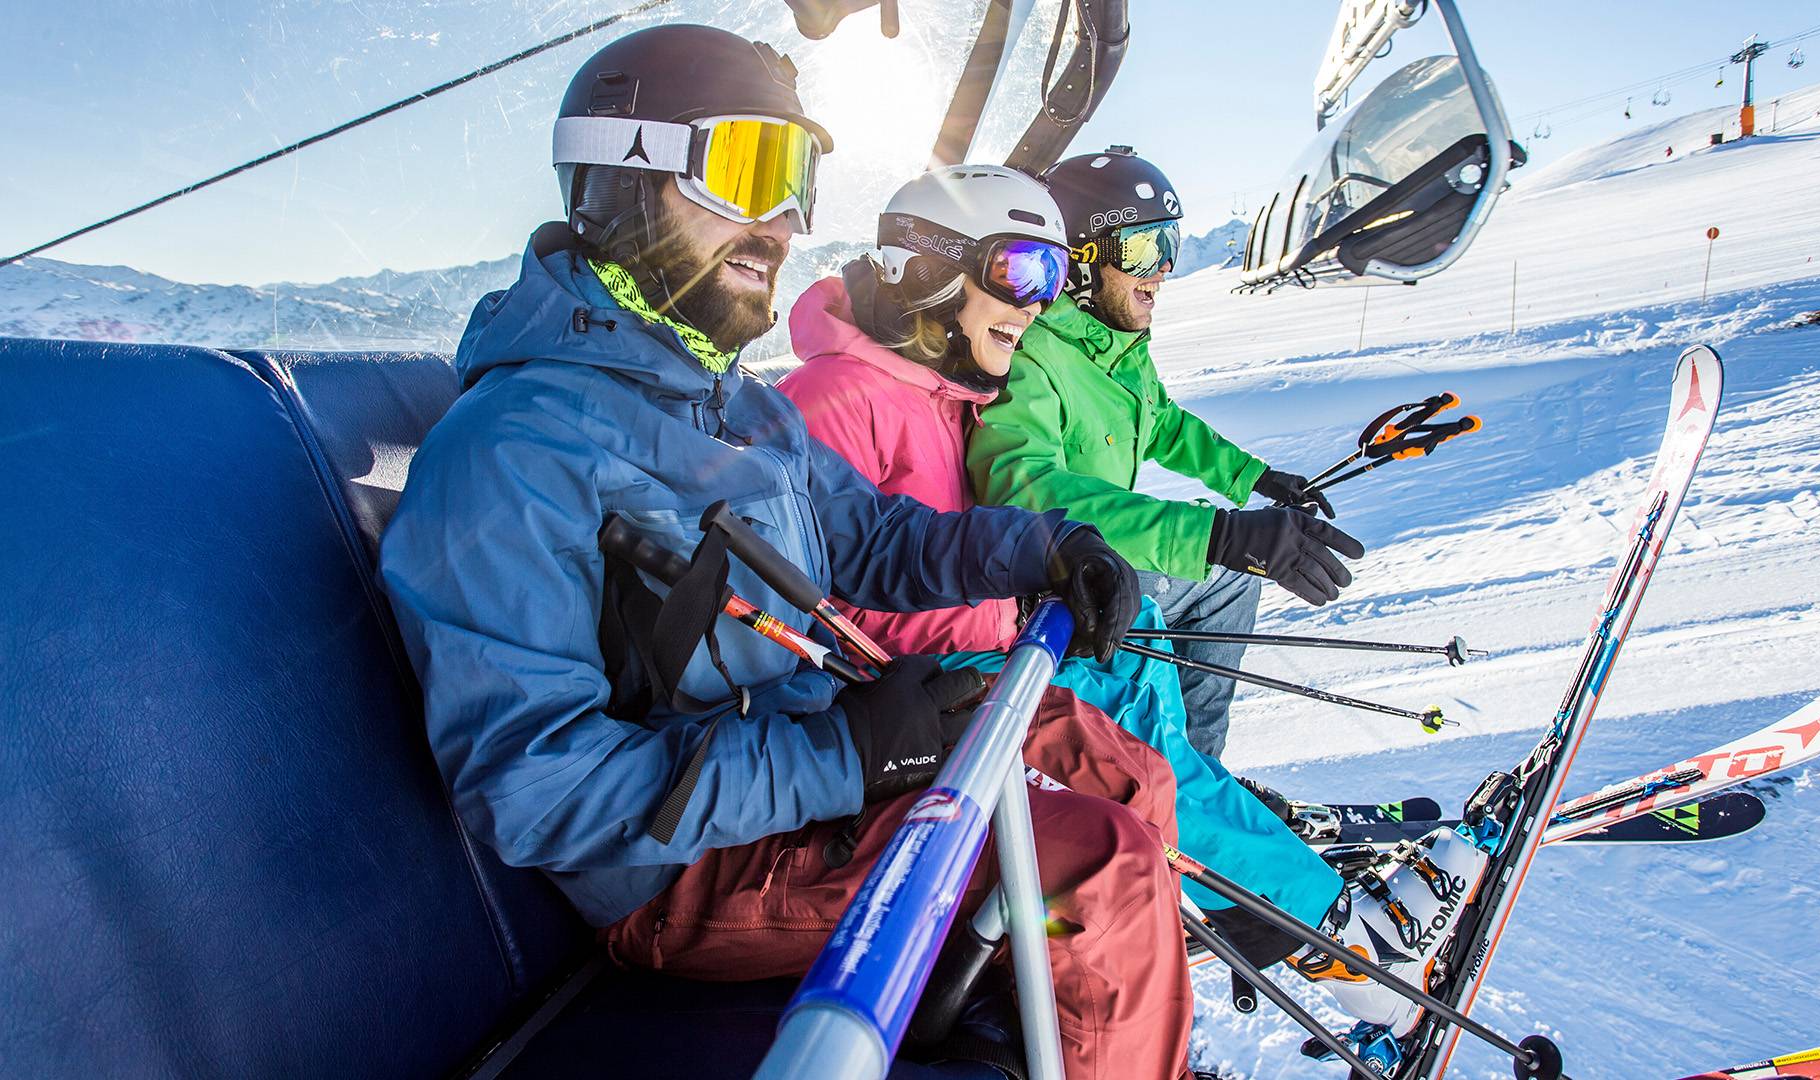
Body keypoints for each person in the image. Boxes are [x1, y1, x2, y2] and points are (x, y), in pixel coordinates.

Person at [377, 25, 1193, 1080]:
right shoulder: (512, 452)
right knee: (1101, 866)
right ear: (619, 178)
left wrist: (1040, 549)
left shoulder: (737, 403)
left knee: (1110, 763)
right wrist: (844, 758)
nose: (782, 220)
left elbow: (877, 538)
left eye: (795, 178)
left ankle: (1118, 1036)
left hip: (810, 763)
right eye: (746, 171)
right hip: (685, 870)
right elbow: (536, 790)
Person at [776, 165, 1345, 930]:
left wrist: (1251, 483)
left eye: (1046, 277)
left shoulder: (947, 386)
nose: (1034, 304)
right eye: (1020, 270)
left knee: (1152, 687)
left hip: (1019, 628)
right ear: (931, 269)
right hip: (956, 681)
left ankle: (1245, 855)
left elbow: (1151, 430)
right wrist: (1028, 589)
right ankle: (1325, 923)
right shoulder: (836, 399)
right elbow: (842, 593)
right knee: (1137, 759)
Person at [966, 146, 1365, 759]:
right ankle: (1175, 774)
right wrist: (1217, 536)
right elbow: (1023, 491)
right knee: (1223, 571)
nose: (1163, 270)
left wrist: (1256, 479)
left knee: (1229, 581)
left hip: (1103, 558)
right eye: (1144, 249)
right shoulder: (1033, 353)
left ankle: (1197, 768)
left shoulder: (1118, 345)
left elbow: (1164, 424)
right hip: (1051, 584)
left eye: (1169, 244)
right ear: (1078, 262)